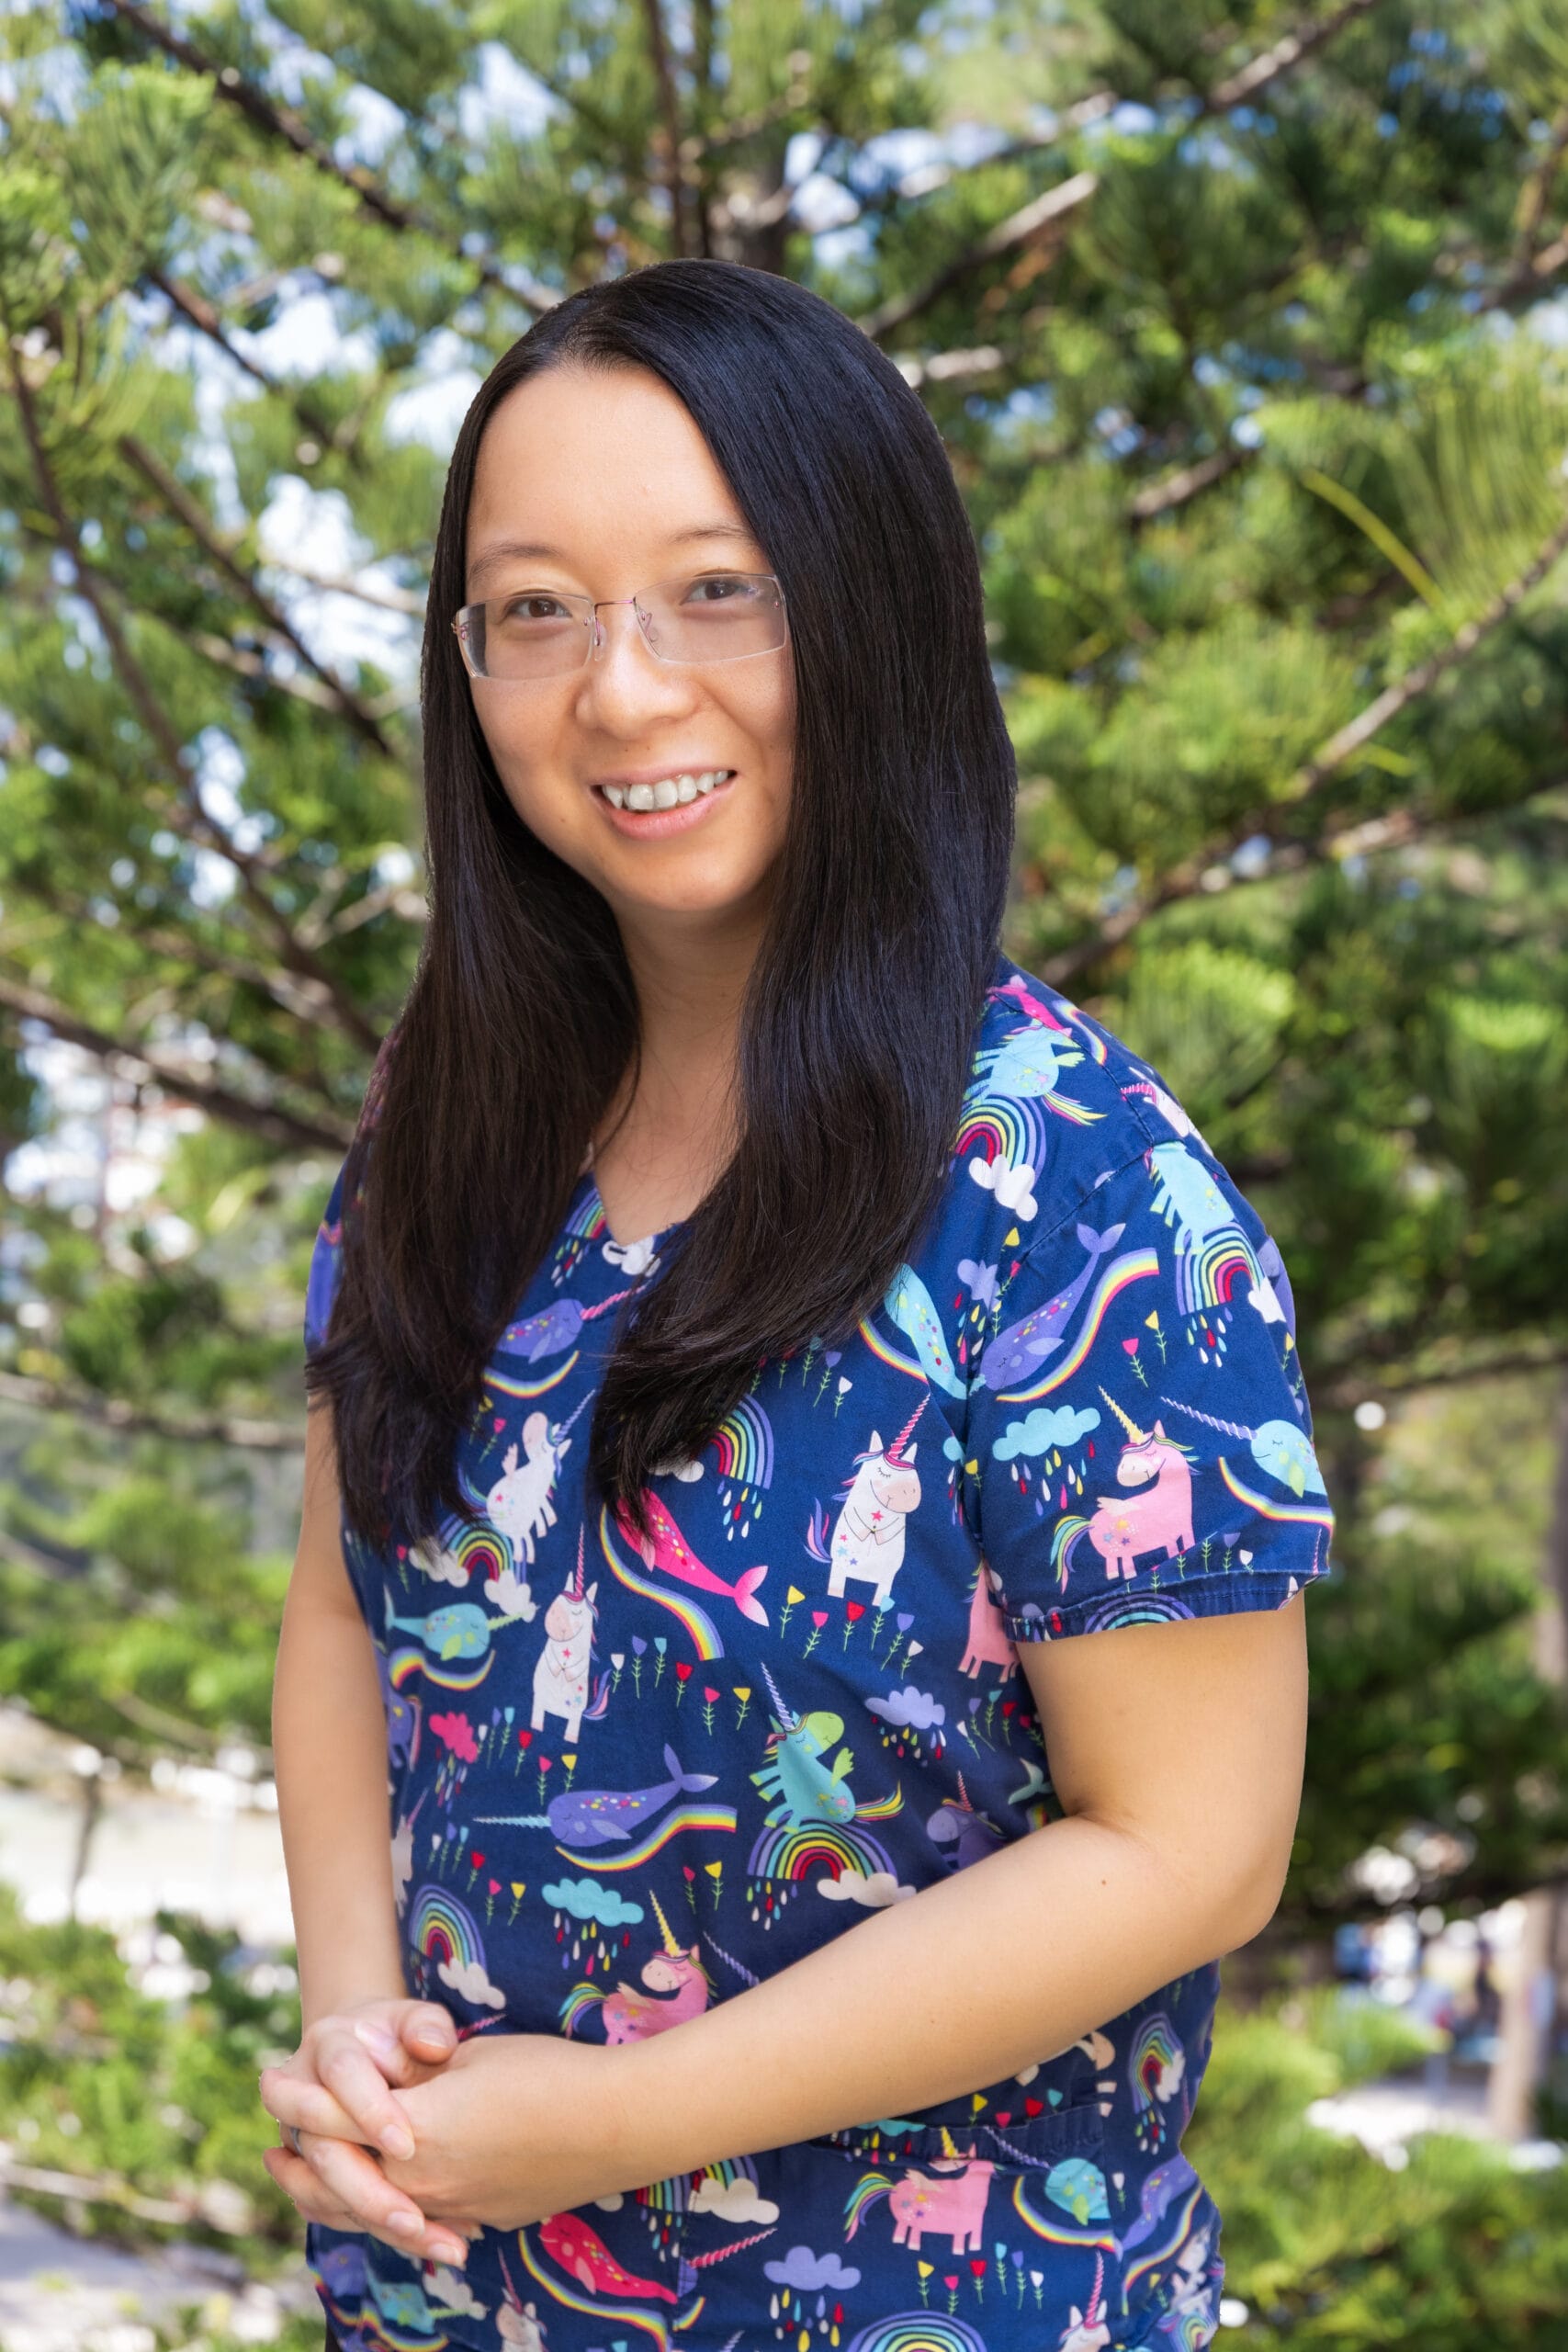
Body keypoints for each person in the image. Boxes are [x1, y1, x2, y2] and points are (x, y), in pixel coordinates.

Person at [263, 258, 1336, 2352]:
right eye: (535, 609)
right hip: (446, 2300)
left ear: (870, 608)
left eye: (718, 589)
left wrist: (621, 2120)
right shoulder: (446, 1124)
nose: (623, 690)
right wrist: (358, 2025)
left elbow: (1191, 1846)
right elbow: (338, 1611)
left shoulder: (1071, 1180)